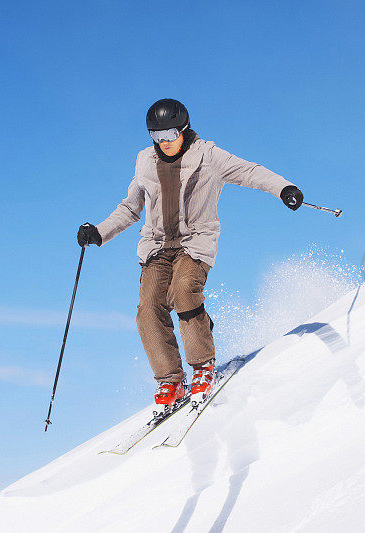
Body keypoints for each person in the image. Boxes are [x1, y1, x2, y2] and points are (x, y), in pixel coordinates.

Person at [77, 98, 303, 407]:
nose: (164, 143)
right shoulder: (144, 160)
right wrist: (99, 232)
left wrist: (283, 188)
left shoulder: (209, 156)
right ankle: (171, 381)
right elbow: (130, 208)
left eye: (170, 134)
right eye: (156, 136)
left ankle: (203, 367)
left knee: (184, 291)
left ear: (183, 129)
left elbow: (250, 172)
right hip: (157, 246)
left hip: (194, 243)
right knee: (148, 310)